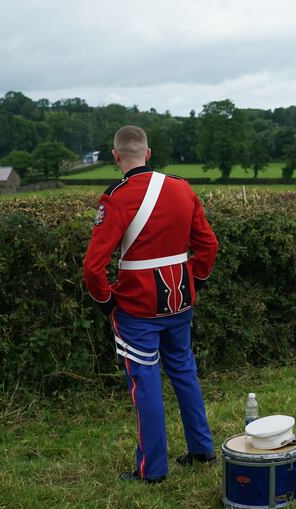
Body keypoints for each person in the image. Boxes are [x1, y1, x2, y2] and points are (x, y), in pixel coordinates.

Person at [83, 126, 219, 483]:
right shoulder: (181, 188)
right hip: (180, 301)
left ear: (116, 156)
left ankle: (153, 470)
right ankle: (202, 449)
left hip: (137, 307)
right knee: (184, 371)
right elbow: (208, 245)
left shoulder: (116, 197)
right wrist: (196, 283)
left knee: (146, 383)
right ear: (148, 152)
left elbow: (93, 268)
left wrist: (107, 303)